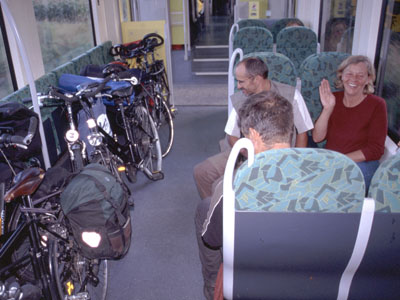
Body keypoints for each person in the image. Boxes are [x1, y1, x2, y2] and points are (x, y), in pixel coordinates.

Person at [195, 91, 294, 300]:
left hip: (256, 272)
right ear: (289, 129)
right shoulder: (335, 175)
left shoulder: (234, 186)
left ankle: (212, 285)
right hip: (315, 273)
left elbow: (211, 239)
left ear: (254, 136)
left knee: (205, 208)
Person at [193, 56, 313, 200]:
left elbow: (303, 132)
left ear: (256, 79)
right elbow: (232, 136)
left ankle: (231, 209)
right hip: (244, 152)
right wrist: (248, 154)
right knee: (202, 172)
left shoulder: (291, 95)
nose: (238, 86)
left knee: (221, 186)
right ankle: (219, 214)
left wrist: (294, 161)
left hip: (280, 155)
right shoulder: (240, 99)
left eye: (241, 81)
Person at [312, 55, 388, 191]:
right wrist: (328, 109)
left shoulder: (377, 105)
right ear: (341, 76)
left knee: (334, 185)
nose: (354, 79)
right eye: (349, 74)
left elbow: (376, 149)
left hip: (362, 165)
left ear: (368, 79)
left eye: (360, 75)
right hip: (333, 161)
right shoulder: (333, 98)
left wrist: (341, 161)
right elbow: (317, 137)